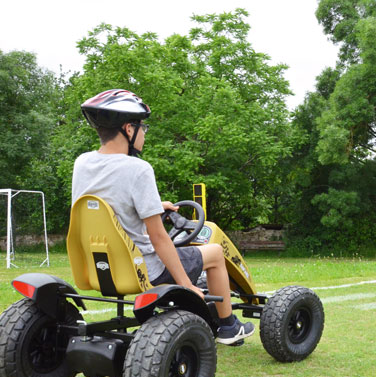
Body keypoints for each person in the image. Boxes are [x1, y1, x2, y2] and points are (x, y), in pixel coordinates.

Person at [72, 89, 254, 345]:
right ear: (128, 129)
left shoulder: (82, 163)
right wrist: (186, 287)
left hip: (99, 268)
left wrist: (156, 206)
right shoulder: (138, 169)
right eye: (142, 126)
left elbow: (109, 203)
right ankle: (228, 327)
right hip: (143, 270)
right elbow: (158, 237)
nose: (144, 133)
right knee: (213, 253)